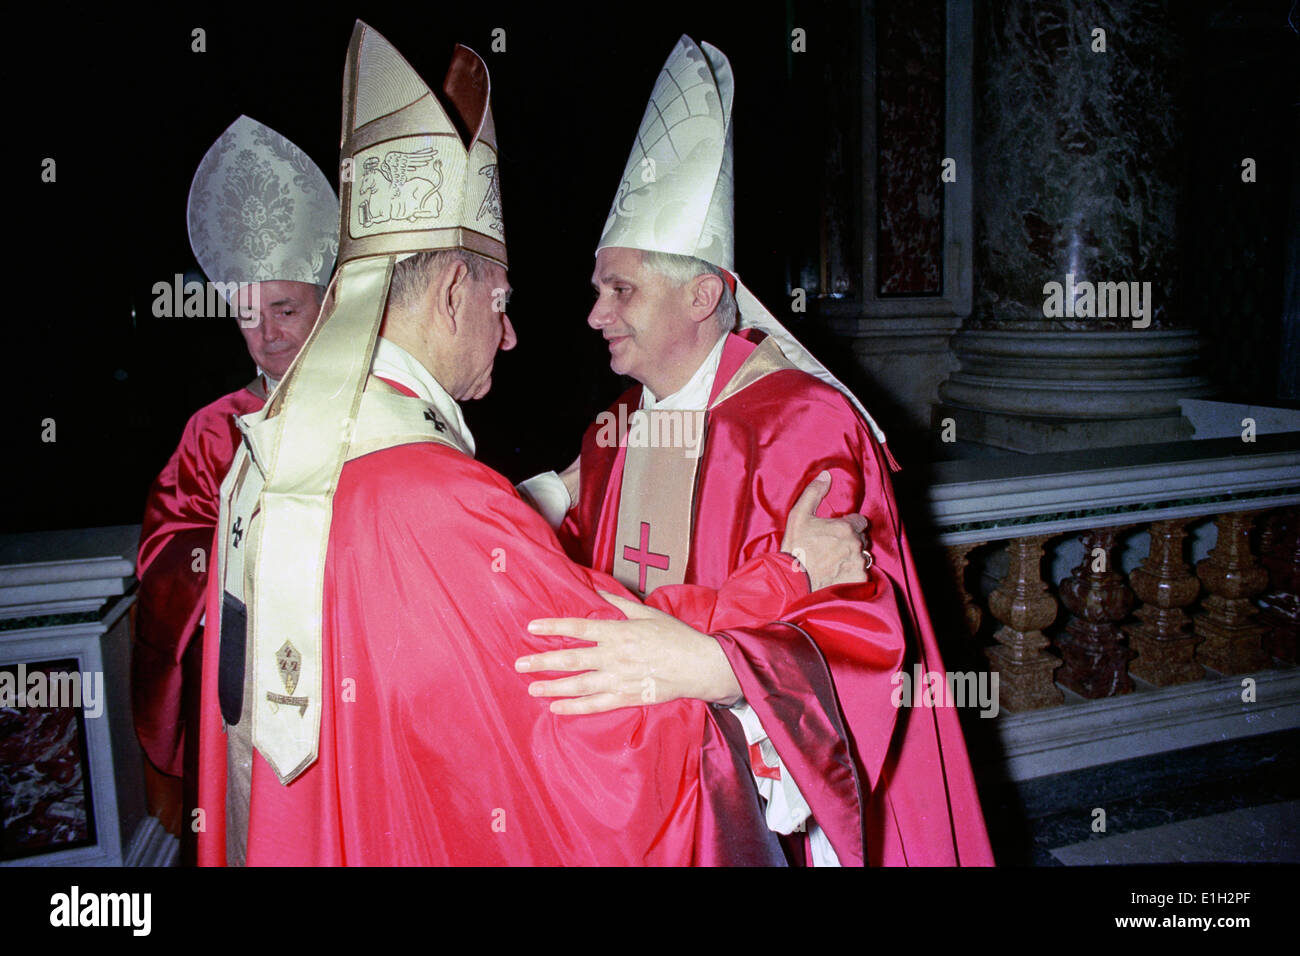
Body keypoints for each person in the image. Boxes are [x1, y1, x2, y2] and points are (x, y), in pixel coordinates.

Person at [194, 23, 861, 866]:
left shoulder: (274, 453)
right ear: (448, 292)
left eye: (621, 289)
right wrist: (785, 589)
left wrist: (538, 500)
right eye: (500, 300)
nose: (509, 336)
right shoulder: (437, 500)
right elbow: (618, 740)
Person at [519, 36, 994, 866]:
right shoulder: (619, 426)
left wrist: (717, 668)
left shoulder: (804, 424)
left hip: (775, 796)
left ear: (705, 294)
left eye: (619, 289)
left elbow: (864, 631)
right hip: (647, 783)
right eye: (599, 289)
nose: (594, 313)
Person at [132, 115, 336, 853]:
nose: (269, 335)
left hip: (346, 677)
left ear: (326, 305)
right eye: (250, 317)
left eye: (286, 310)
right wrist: (236, 554)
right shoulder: (213, 429)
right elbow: (164, 553)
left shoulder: (370, 413)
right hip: (247, 687)